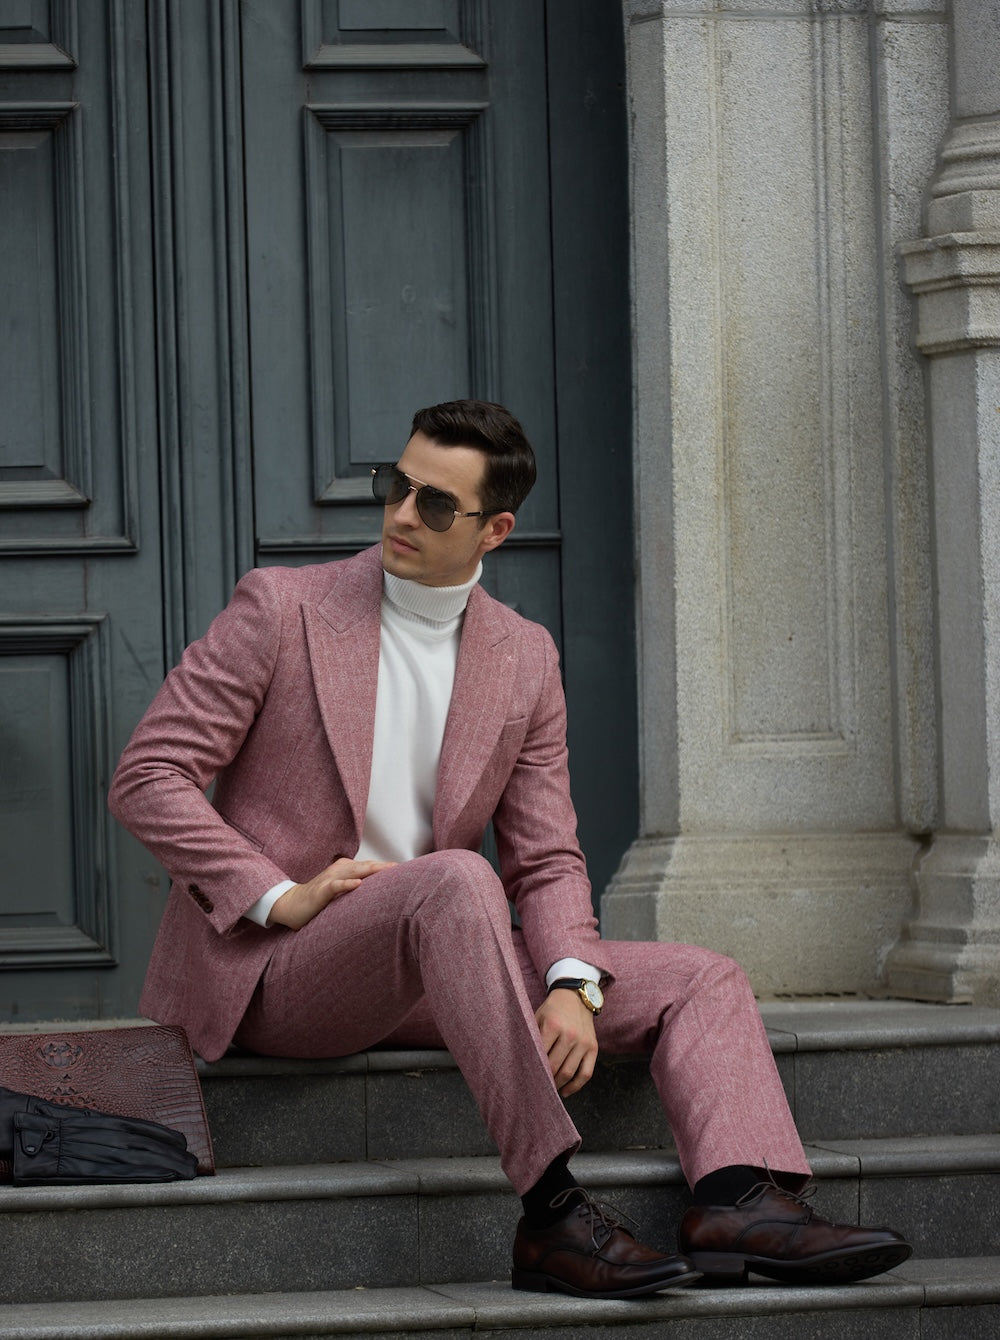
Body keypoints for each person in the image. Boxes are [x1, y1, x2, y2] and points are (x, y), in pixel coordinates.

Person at [109, 399, 910, 1299]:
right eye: (397, 486)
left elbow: (548, 859)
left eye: (437, 505)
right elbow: (149, 775)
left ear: (496, 528)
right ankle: (552, 1213)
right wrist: (272, 893)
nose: (403, 515)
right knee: (455, 878)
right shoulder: (282, 609)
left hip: (439, 954)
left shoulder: (523, 657)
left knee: (702, 975)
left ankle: (737, 1204)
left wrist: (572, 983)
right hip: (281, 968)